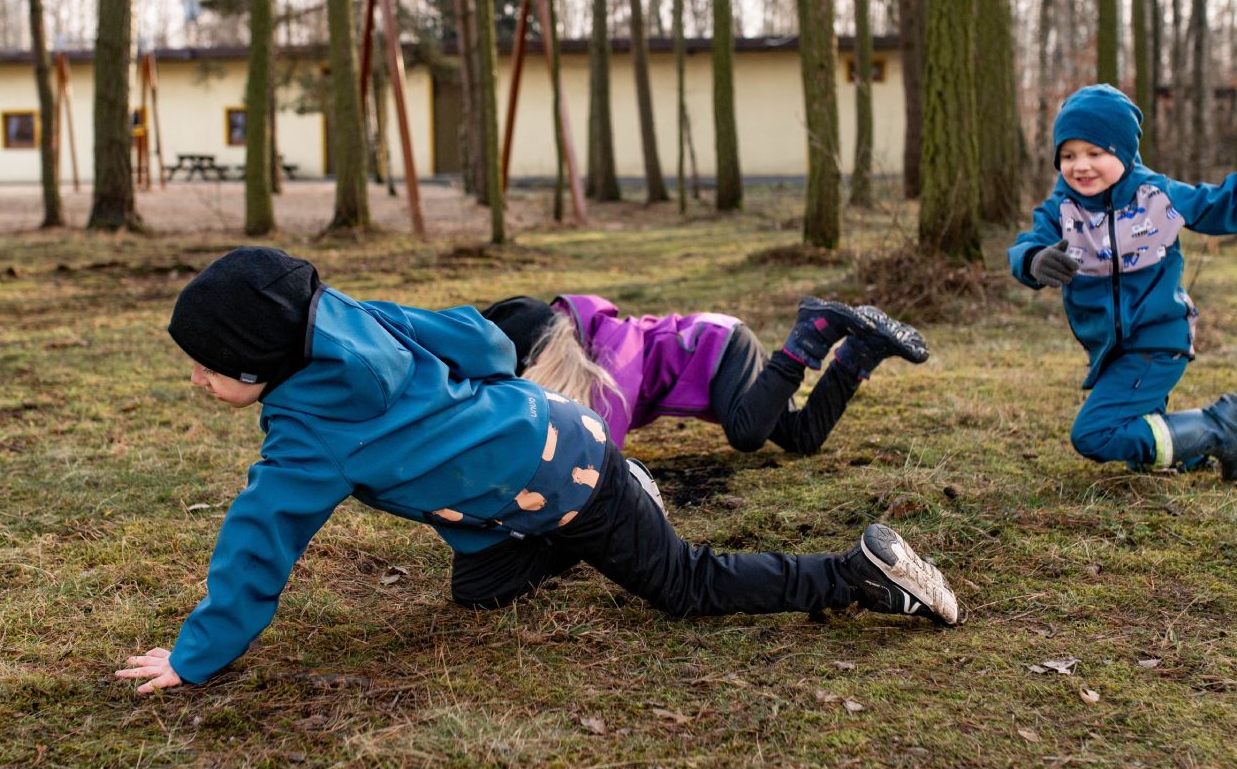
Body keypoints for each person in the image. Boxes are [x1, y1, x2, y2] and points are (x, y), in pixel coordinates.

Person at [117, 248, 960, 693]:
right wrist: (480, 410)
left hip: (573, 475)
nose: (197, 378)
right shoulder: (350, 317)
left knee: (684, 584)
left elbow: (258, 541)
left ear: (262, 358)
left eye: (209, 364)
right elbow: (483, 339)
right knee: (479, 589)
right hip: (548, 444)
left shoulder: (309, 432)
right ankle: (598, 513)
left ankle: (861, 575)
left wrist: (198, 655)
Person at [1008, 84, 1237, 480]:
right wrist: (1035, 260)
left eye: (1095, 153)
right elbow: (1027, 246)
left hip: (1158, 339)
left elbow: (1232, 203)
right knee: (1143, 444)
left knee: (1096, 434)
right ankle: (1236, 434)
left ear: (1122, 152)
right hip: (1110, 350)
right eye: (1068, 155)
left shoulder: (1157, 197)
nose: (1080, 166)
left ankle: (1214, 428)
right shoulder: (1062, 209)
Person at [479, 294, 928, 456]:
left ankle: (812, 334)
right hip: (718, 358)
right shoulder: (586, 349)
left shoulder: (611, 352)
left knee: (748, 433)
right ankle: (858, 354)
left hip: (719, 345)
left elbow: (601, 439)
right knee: (803, 437)